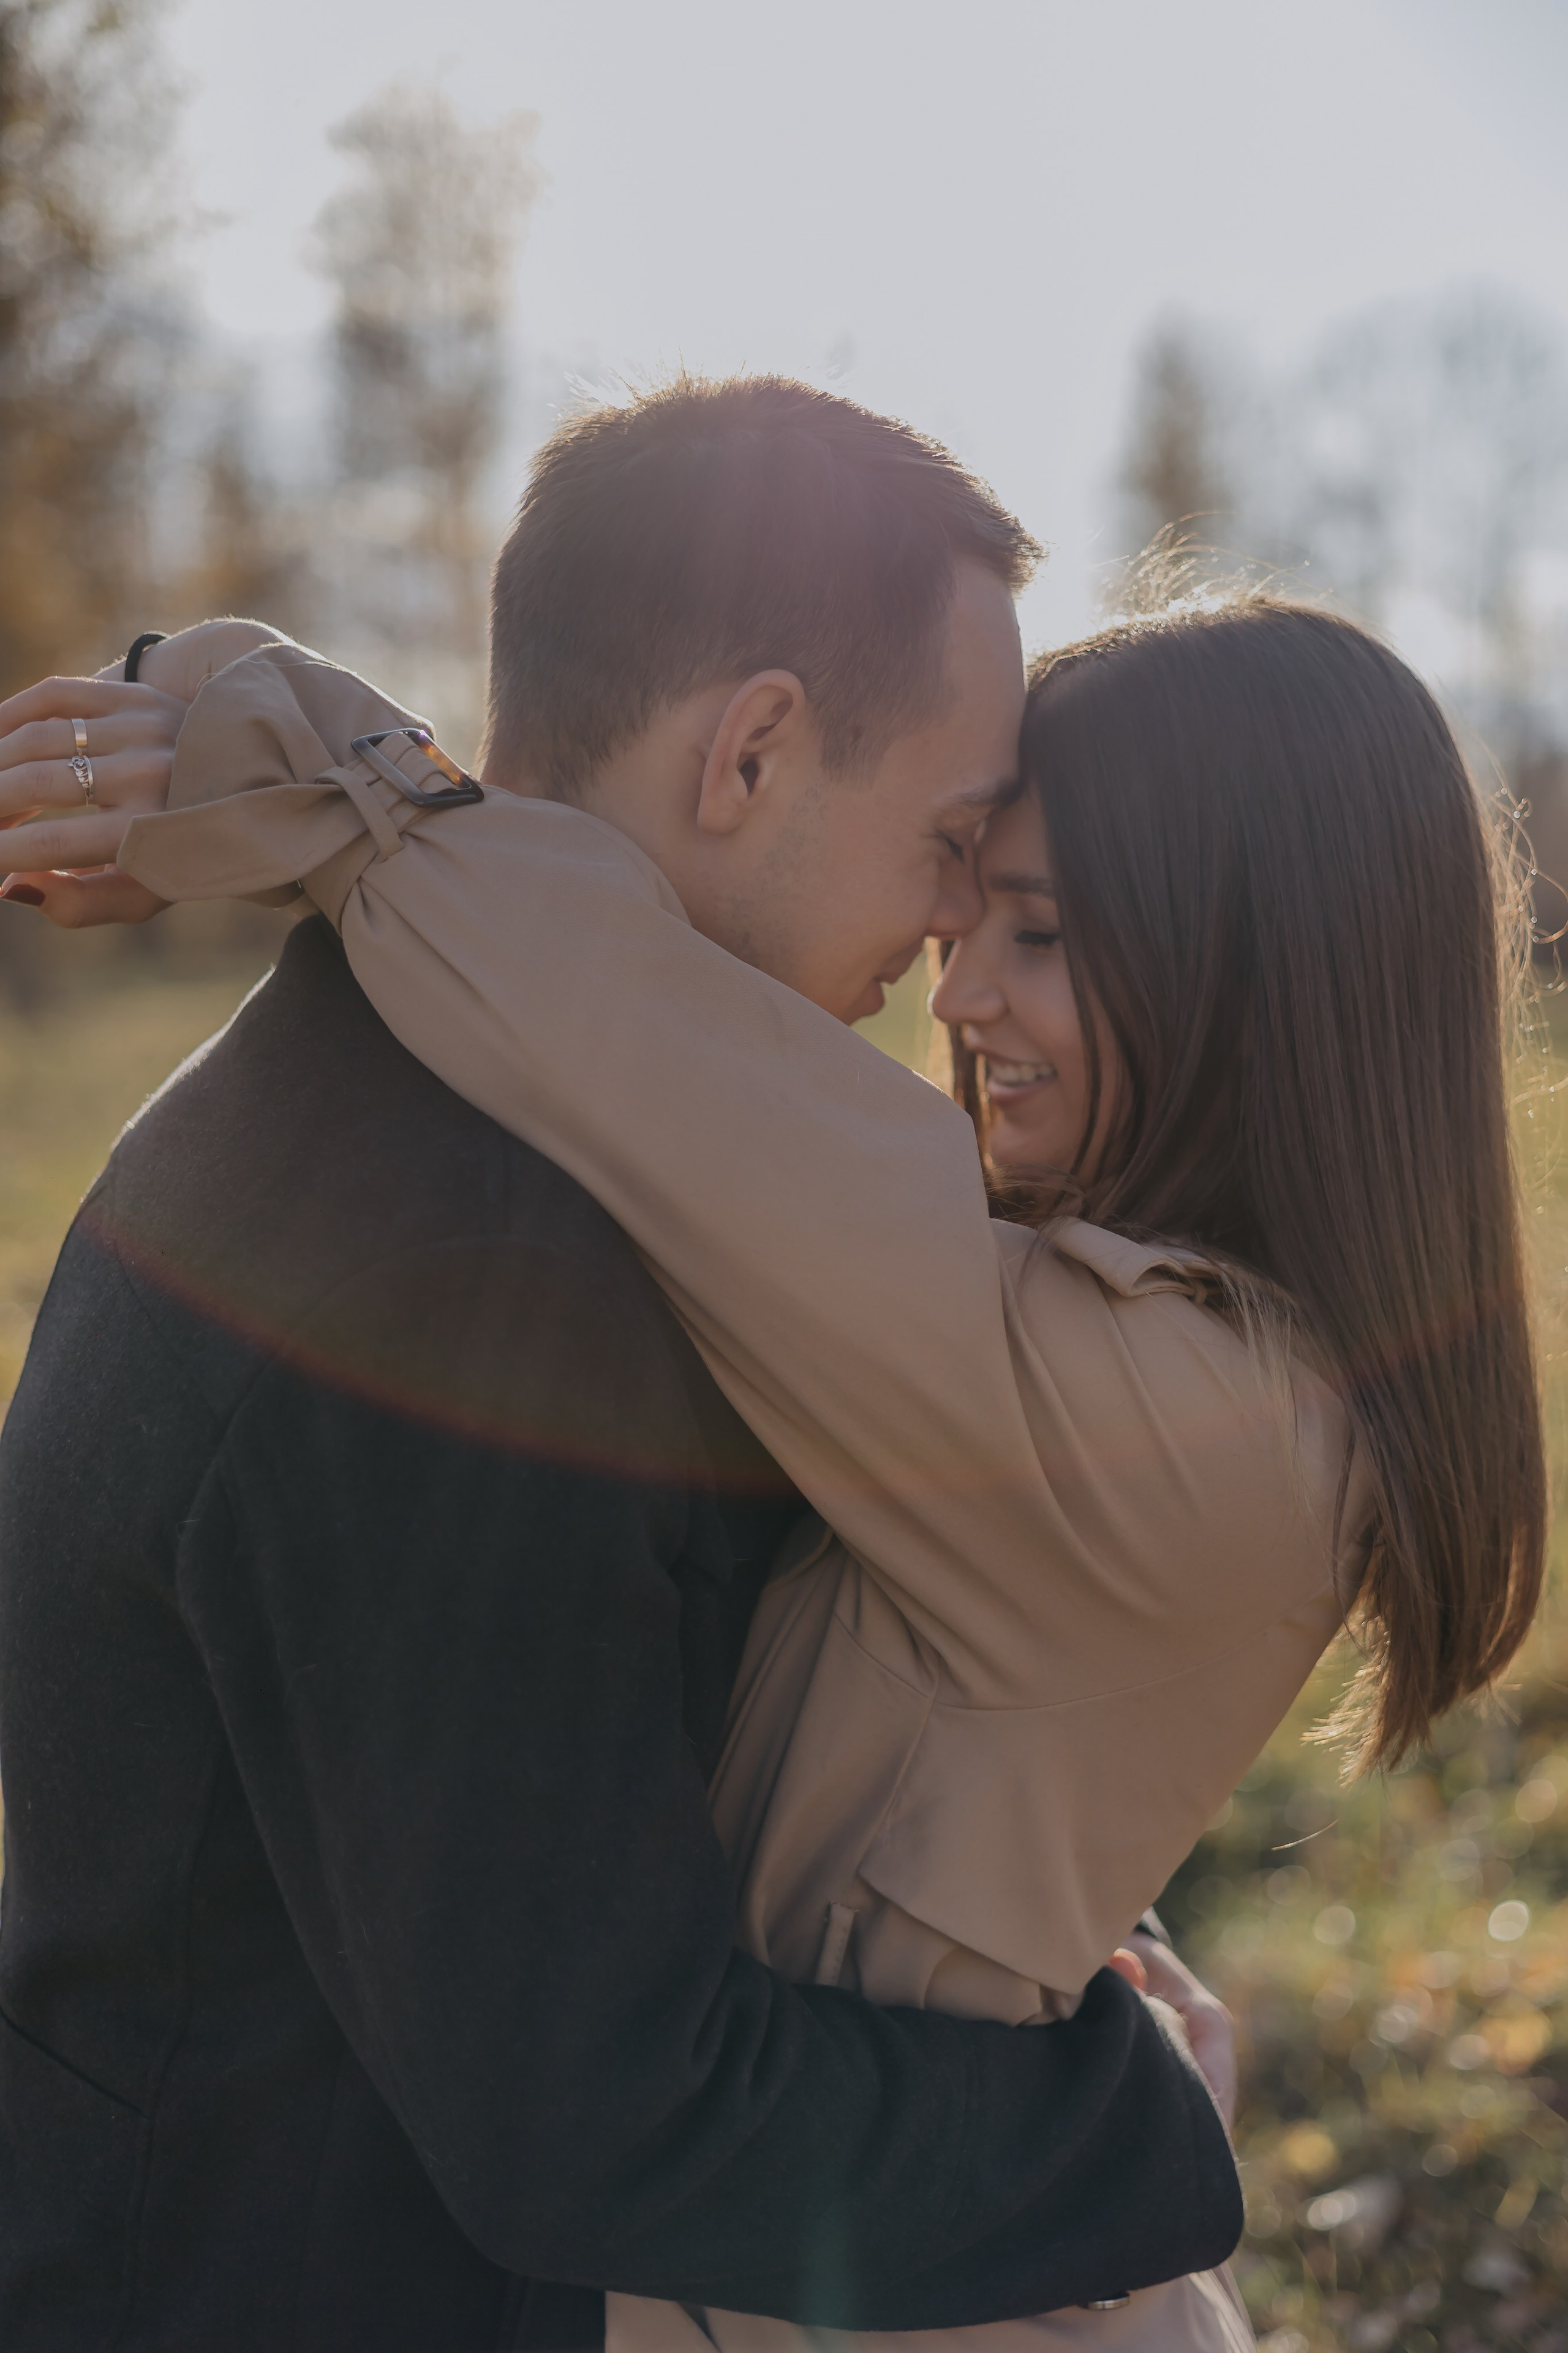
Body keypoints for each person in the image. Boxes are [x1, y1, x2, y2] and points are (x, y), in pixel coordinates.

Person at [3, 566, 1546, 2349]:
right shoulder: (1171, 1365)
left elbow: (642, 1049)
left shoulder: (1179, 1417)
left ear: (1263, 965)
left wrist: (269, 733)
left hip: (865, 2293)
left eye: (1035, 927)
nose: (955, 990)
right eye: (967, 894)